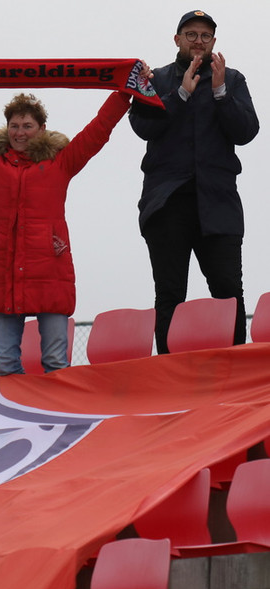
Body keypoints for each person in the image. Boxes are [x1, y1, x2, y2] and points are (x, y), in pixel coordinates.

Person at [0, 64, 140, 375]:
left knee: (56, 364)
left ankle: (58, 408)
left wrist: (124, 94)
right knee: (5, 365)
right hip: (2, 274)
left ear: (42, 129)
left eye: (27, 125)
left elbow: (98, 130)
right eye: (14, 126)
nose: (20, 132)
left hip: (51, 272)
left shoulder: (62, 163)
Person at [129, 10, 259, 354]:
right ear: (177, 40)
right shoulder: (156, 79)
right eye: (191, 34)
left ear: (214, 41)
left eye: (205, 35)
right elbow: (143, 126)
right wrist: (181, 94)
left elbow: (247, 131)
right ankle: (170, 374)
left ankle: (234, 371)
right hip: (166, 203)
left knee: (228, 290)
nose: (198, 41)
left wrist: (221, 92)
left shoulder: (232, 79)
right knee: (170, 293)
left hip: (218, 204)